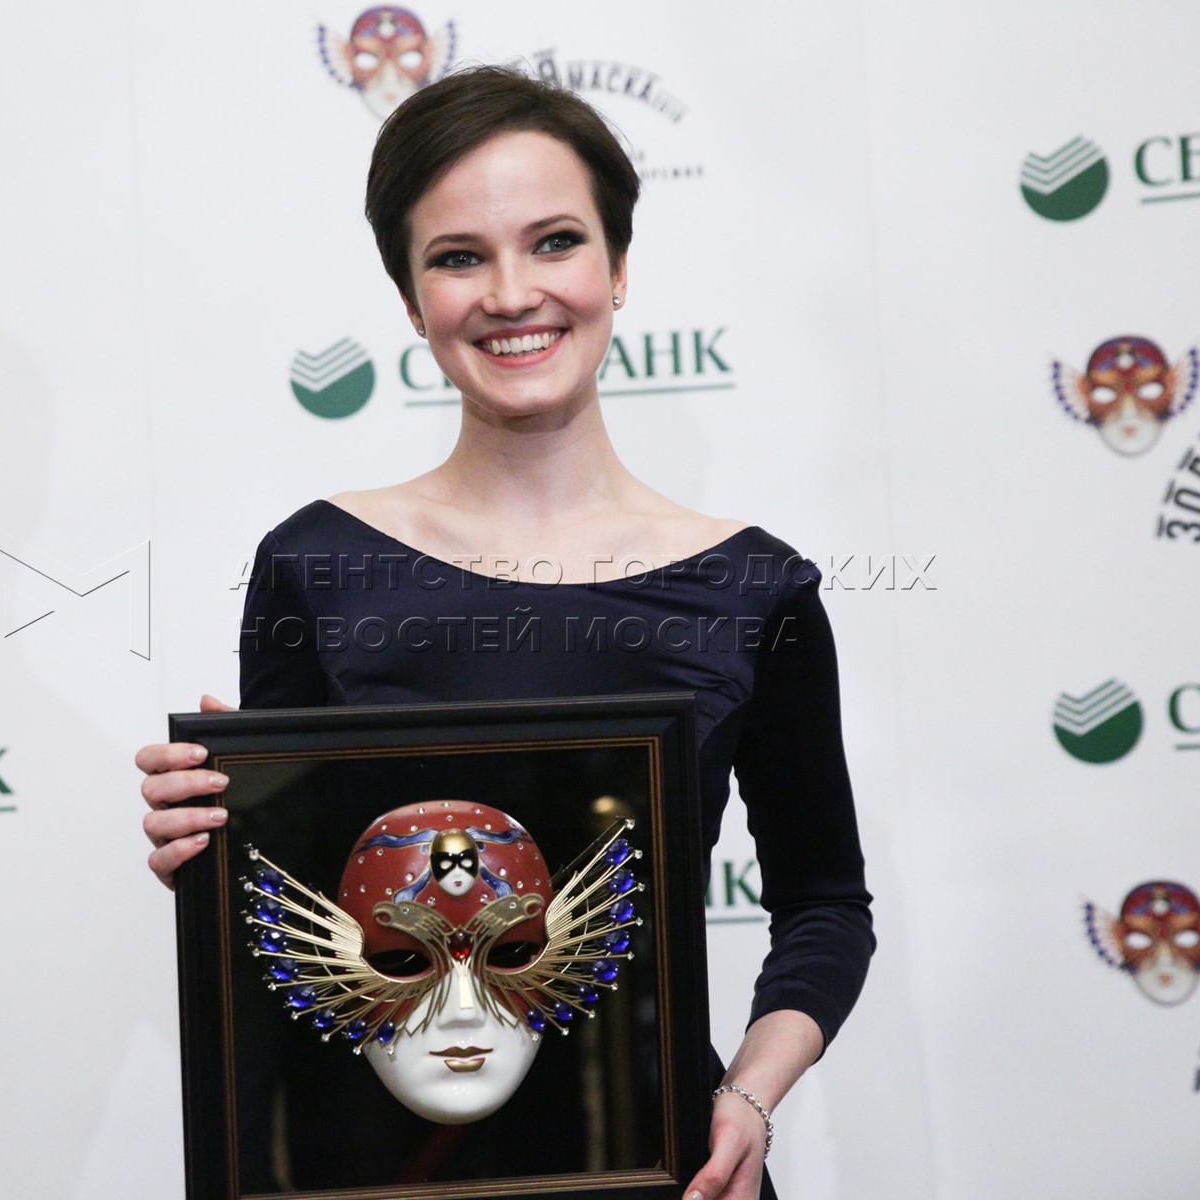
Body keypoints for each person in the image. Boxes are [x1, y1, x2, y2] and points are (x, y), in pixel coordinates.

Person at [137, 64, 873, 1200]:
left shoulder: (753, 588)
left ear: (618, 267)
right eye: (459, 257)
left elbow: (824, 905)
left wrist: (749, 1095)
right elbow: (313, 917)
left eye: (555, 242)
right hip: (390, 1171)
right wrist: (216, 852)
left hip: (663, 1165)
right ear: (410, 298)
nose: (512, 293)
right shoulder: (316, 567)